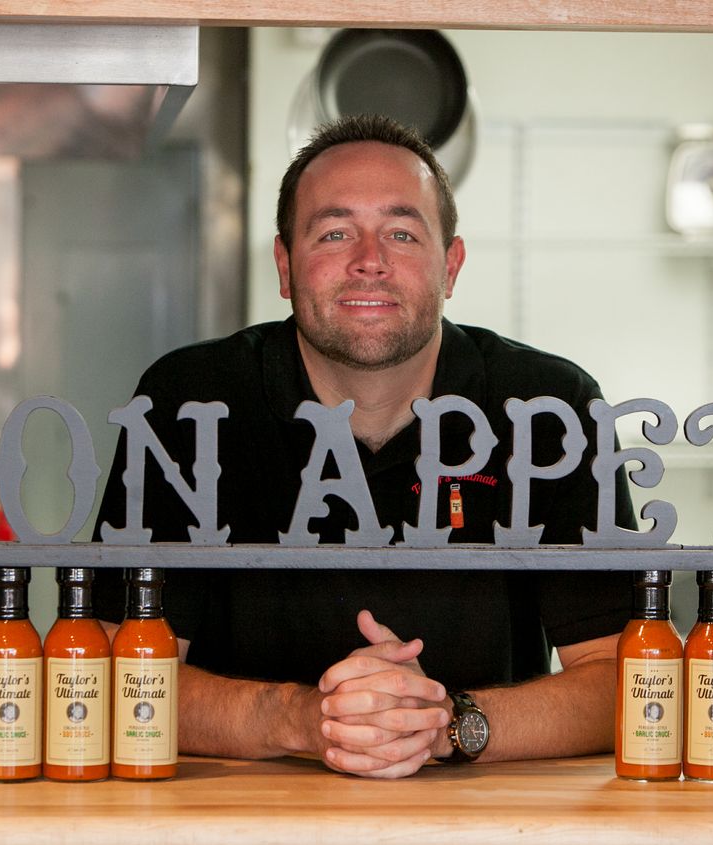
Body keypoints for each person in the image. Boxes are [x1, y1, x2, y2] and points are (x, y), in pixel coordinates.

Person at [92, 114, 637, 778]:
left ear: (451, 265)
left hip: (485, 826)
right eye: (335, 232)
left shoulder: (548, 406)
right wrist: (300, 718)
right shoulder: (190, 399)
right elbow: (115, 674)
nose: (369, 261)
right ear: (285, 265)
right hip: (234, 825)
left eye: (403, 233)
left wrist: (446, 723)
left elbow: (626, 680)